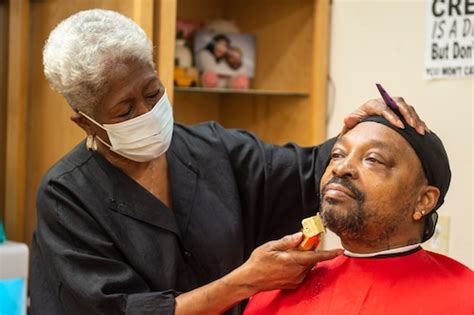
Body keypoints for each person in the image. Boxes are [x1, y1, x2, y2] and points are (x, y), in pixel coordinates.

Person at [30, 9, 428, 315]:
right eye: (124, 110)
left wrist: (365, 132)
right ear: (86, 121)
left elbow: (310, 170)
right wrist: (244, 282)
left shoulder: (215, 149)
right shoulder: (66, 197)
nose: (147, 113)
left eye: (152, 92)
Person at [244, 108, 473, 314]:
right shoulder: (276, 289)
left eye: (373, 159)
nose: (341, 168)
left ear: (423, 200)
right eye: (337, 155)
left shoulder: (465, 298)